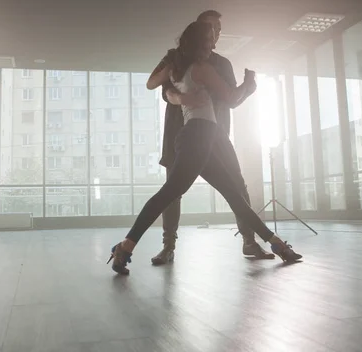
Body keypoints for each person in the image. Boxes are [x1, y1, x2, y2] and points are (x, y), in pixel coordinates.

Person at [107, 21, 302, 275]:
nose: (213, 43)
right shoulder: (202, 68)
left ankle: (277, 245)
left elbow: (151, 83)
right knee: (171, 194)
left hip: (199, 137)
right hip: (199, 135)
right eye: (209, 39)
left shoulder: (176, 66)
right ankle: (125, 247)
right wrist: (249, 84)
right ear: (198, 41)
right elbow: (231, 98)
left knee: (233, 196)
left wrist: (175, 91)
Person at [150, 10, 274, 265]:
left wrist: (248, 89)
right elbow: (163, 90)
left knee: (237, 186)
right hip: (180, 132)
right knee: (173, 190)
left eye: (218, 28)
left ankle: (250, 242)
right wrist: (182, 97)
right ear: (197, 30)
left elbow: (232, 100)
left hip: (216, 134)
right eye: (211, 27)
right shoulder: (176, 59)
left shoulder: (222, 63)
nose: (216, 33)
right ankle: (168, 246)